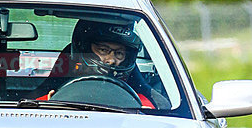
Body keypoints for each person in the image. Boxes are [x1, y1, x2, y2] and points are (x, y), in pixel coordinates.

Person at [35, 19, 169, 109]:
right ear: (85, 49)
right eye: (104, 50)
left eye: (119, 53)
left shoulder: (142, 104)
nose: (111, 60)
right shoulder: (46, 101)